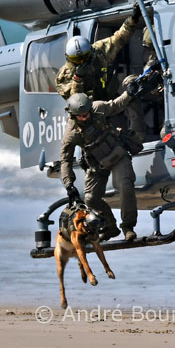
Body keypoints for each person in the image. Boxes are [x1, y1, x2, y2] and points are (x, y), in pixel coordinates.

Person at [60, 90, 138, 242]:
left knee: (125, 184)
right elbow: (65, 161)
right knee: (90, 198)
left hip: (117, 154)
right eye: (81, 116)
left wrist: (129, 93)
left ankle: (128, 227)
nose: (85, 117)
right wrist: (68, 184)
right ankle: (110, 226)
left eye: (87, 113)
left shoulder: (98, 108)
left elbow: (117, 104)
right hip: (97, 163)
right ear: (73, 115)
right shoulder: (71, 134)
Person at [55, 2, 142, 101]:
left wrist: (133, 19)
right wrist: (78, 79)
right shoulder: (64, 76)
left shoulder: (98, 51)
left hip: (106, 99)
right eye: (76, 60)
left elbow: (119, 38)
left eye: (84, 57)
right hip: (87, 112)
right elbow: (76, 102)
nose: (81, 62)